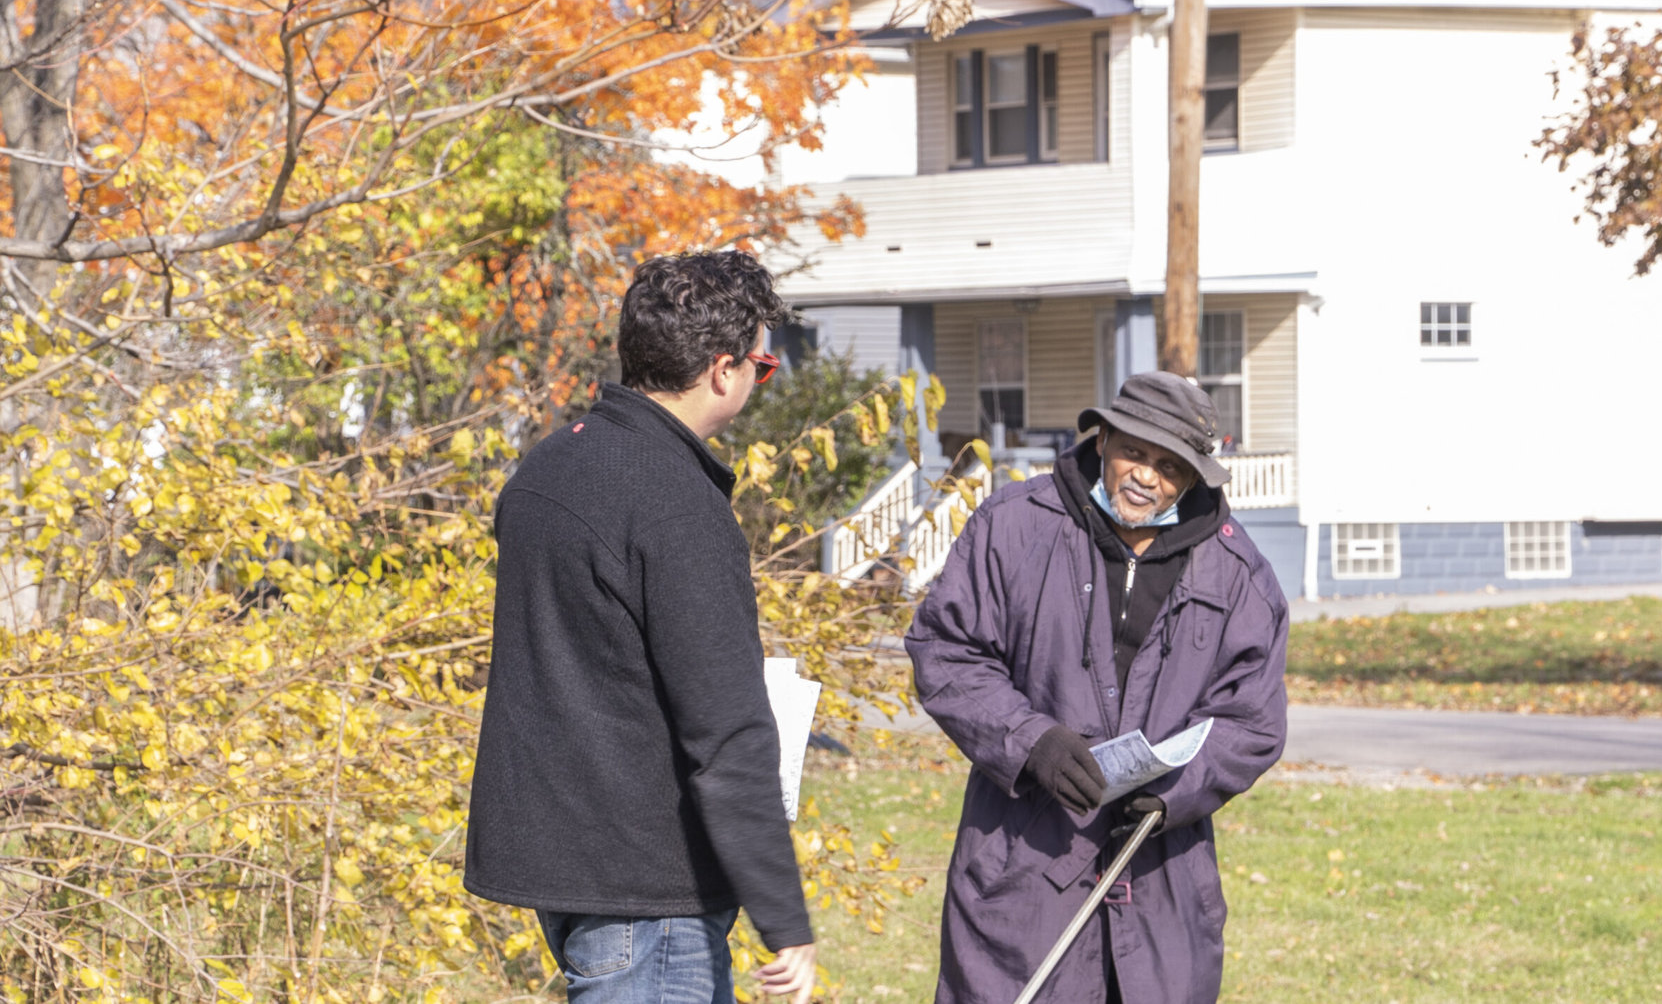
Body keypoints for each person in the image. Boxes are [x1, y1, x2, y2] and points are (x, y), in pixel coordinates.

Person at [466, 251, 816, 1004]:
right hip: (651, 895)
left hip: (572, 876)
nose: (761, 379)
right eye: (765, 364)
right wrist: (784, 916)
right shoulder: (677, 504)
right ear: (724, 370)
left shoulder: (544, 470)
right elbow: (726, 729)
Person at [907, 371, 1289, 1004]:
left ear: (1194, 477)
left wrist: (1175, 794)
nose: (1146, 476)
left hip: (1163, 883)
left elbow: (1251, 721)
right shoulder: (1014, 526)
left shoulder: (1238, 573)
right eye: (1134, 451)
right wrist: (1033, 743)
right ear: (1104, 439)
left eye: (1169, 466)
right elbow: (947, 650)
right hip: (1022, 867)